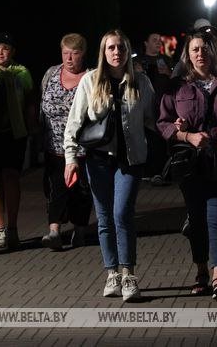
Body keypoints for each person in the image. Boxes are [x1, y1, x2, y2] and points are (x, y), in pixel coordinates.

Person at [63, 29, 157, 302]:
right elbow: (74, 123)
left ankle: (128, 274)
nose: (117, 52)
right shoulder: (90, 81)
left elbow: (151, 119)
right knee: (104, 219)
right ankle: (111, 272)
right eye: (111, 48)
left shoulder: (141, 82)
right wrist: (71, 159)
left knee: (122, 213)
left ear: (128, 52)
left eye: (121, 48)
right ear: (103, 52)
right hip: (98, 160)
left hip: (130, 160)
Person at [158, 31, 217, 301]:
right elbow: (163, 124)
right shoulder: (176, 87)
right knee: (197, 221)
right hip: (192, 166)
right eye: (195, 49)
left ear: (214, 52)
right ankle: (201, 271)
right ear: (188, 54)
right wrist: (184, 134)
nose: (200, 54)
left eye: (206, 49)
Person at [0, 32, 36, 250]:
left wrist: (32, 127)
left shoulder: (22, 73)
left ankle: (13, 229)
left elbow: (30, 102)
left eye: (5, 47)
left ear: (13, 51)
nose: (0, 52)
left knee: (12, 177)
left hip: (15, 132)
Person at [38, 33, 92, 251]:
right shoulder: (51, 73)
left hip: (82, 149)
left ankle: (79, 230)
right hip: (54, 146)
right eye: (65, 53)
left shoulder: (90, 77)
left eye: (75, 53)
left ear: (83, 54)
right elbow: (42, 103)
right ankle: (54, 231)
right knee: (55, 189)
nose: (69, 58)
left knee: (80, 191)